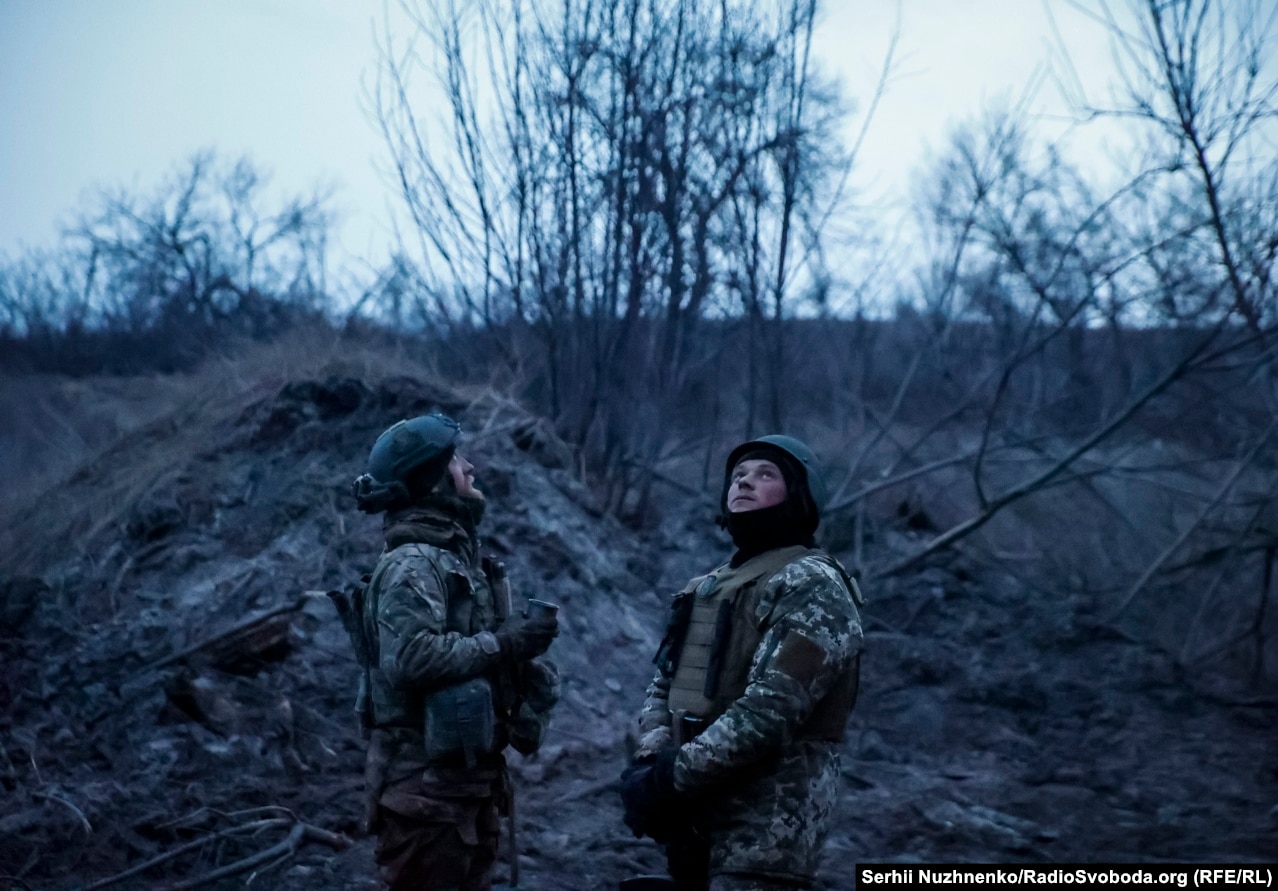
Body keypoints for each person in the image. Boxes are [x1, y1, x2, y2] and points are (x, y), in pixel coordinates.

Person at [620, 435, 865, 891]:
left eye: (765, 474)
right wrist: (652, 756)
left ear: (800, 495)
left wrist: (671, 776)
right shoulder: (709, 585)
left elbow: (771, 710)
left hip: (766, 820)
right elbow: (664, 683)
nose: (745, 482)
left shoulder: (814, 582)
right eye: (738, 476)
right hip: (694, 810)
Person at [346, 413, 560, 891]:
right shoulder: (411, 563)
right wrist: (504, 643)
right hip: (426, 794)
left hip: (461, 788)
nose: (470, 467)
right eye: (456, 460)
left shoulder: (449, 557)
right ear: (431, 478)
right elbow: (410, 659)